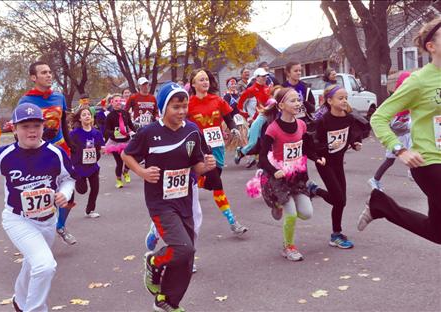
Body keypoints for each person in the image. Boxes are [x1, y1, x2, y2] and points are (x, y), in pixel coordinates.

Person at [0, 103, 76, 312]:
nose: (31, 131)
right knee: (45, 266)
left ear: (43, 127)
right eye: (25, 126)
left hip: (47, 220)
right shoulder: (4, 154)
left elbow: (69, 178)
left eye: (36, 125)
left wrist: (64, 193)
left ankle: (19, 301)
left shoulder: (55, 153)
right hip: (18, 219)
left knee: (33, 263)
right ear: (14, 128)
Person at [122, 82, 216, 311]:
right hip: (160, 202)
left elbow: (196, 165)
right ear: (164, 107)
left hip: (184, 198)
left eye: (184, 106)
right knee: (183, 248)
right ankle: (153, 261)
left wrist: (207, 166)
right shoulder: (149, 133)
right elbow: (126, 155)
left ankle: (167, 301)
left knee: (187, 255)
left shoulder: (192, 130)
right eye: (176, 107)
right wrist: (142, 172)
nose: (182, 111)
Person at [357, 17, 441, 245]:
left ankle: (380, 206)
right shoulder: (418, 81)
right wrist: (400, 150)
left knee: (438, 232)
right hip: (428, 162)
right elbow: (379, 117)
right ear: (431, 47)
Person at [258, 87, 326, 261]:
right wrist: (275, 171)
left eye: (298, 100)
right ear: (281, 105)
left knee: (307, 213)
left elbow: (306, 148)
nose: (298, 104)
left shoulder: (302, 125)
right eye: (293, 101)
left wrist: (317, 158)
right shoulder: (272, 129)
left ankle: (278, 206)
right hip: (279, 178)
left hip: (297, 176)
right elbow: (262, 158)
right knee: (292, 214)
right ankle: (288, 247)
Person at [18, 61, 77, 245]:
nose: (49, 75)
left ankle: (60, 226)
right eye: (44, 72)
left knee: (68, 192)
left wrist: (72, 145)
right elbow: (19, 130)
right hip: (37, 153)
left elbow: (64, 124)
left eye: (50, 72)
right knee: (40, 193)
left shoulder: (59, 97)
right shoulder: (25, 101)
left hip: (60, 150)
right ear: (33, 77)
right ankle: (35, 234)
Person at [188, 68, 248, 235]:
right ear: (193, 84)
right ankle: (233, 221)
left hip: (218, 146)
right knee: (217, 184)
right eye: (201, 80)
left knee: (212, 181)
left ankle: (196, 180)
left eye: (206, 79)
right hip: (200, 149)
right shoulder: (189, 104)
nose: (205, 82)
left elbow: (228, 118)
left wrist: (234, 129)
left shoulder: (217, 100)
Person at [311, 84, 363, 249]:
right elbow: (315, 141)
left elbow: (353, 134)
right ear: (329, 101)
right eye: (340, 98)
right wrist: (319, 155)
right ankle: (336, 234)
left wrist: (355, 143)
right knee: (339, 200)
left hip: (338, 163)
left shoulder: (348, 118)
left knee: (341, 201)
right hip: (325, 163)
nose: (344, 101)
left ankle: (313, 190)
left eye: (345, 98)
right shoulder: (323, 121)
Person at [367, 72, 412, 191]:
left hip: (408, 135)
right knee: (390, 161)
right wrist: (409, 124)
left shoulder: (411, 97)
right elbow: (394, 124)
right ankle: (375, 180)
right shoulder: (396, 101)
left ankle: (413, 171)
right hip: (395, 137)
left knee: (417, 153)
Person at [69, 107, 105, 218]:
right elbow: (69, 149)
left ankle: (90, 210)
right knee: (82, 190)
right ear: (79, 119)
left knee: (95, 188)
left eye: (88, 114)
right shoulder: (74, 133)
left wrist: (103, 150)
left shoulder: (97, 132)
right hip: (79, 166)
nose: (87, 116)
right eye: (84, 115)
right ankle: (77, 183)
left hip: (93, 166)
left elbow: (101, 146)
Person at [104, 94, 135, 188]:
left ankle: (125, 172)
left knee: (130, 160)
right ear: (112, 103)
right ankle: (119, 180)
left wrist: (134, 132)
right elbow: (106, 130)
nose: (118, 103)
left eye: (119, 101)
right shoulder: (110, 116)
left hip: (126, 141)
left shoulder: (126, 113)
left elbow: (130, 125)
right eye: (116, 101)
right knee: (119, 162)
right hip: (115, 143)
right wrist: (114, 133)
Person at [283, 62, 316, 127]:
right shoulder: (283, 88)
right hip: (288, 123)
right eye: (296, 71)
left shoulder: (305, 87)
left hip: (304, 123)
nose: (299, 73)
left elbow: (312, 109)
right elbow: (279, 108)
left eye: (300, 70)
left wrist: (303, 101)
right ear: (288, 73)